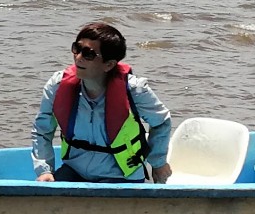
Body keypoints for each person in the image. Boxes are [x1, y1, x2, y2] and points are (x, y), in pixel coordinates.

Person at [32, 22, 174, 183]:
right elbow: (42, 130)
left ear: (109, 64)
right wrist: (45, 170)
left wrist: (158, 162)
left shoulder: (134, 89)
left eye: (88, 54)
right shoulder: (57, 85)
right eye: (77, 49)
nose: (78, 58)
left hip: (121, 175)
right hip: (75, 171)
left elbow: (161, 122)